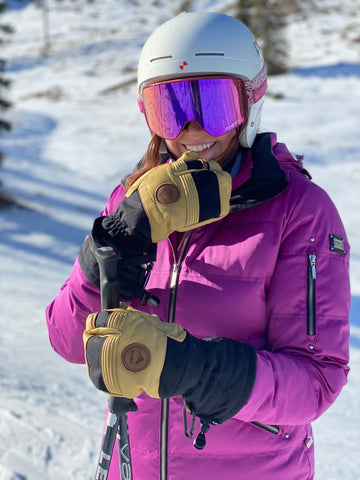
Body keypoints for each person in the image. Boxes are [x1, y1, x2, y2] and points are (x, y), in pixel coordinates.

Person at [46, 12, 351, 480]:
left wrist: (194, 369)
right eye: (169, 107)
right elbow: (68, 339)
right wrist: (111, 245)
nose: (191, 130)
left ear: (251, 101)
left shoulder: (299, 211)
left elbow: (315, 382)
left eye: (213, 103)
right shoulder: (133, 201)